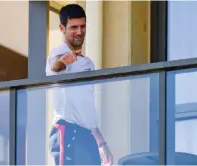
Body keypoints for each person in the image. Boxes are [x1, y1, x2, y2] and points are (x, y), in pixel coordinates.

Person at [45, 4, 113, 166]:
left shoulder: (88, 63)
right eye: (73, 27)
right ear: (62, 28)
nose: (79, 32)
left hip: (87, 135)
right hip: (67, 131)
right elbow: (54, 67)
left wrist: (101, 143)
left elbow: (87, 109)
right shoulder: (57, 53)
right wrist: (62, 61)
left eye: (82, 26)